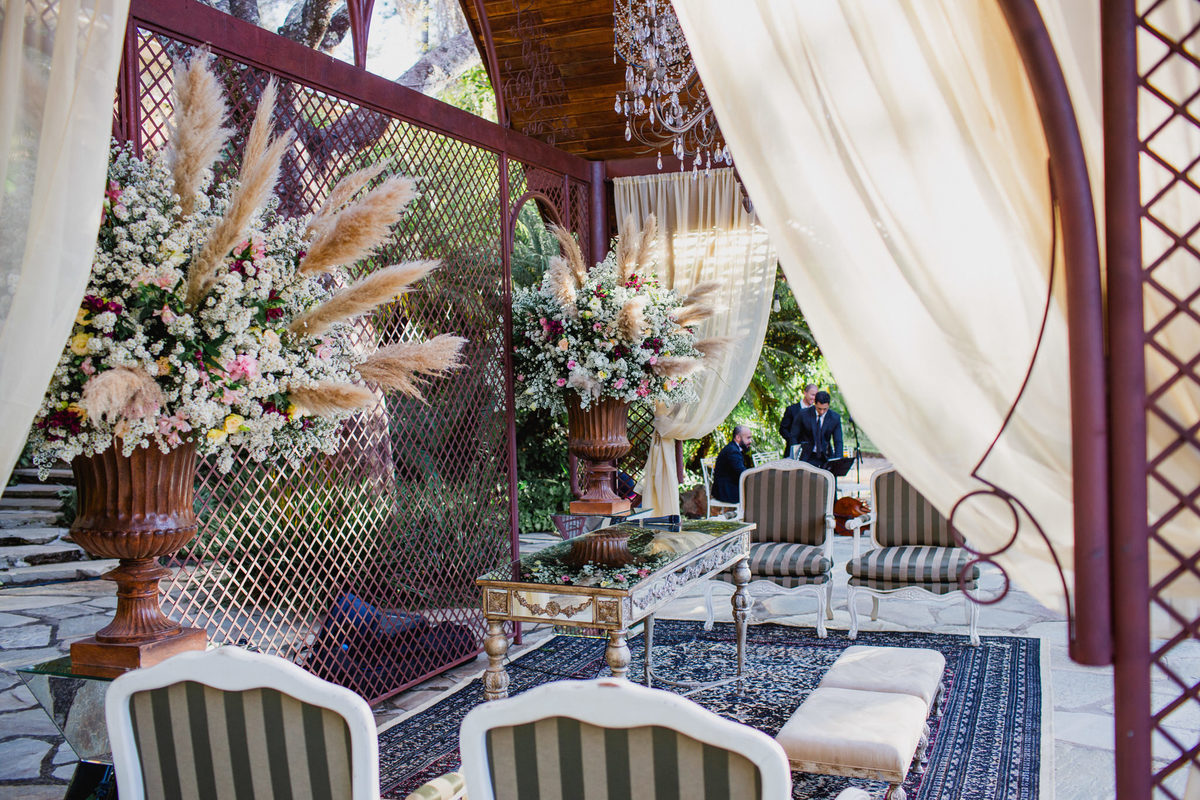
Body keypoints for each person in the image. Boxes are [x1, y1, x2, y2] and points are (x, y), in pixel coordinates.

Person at [793, 391, 843, 469]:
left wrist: (838, 461)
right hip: (807, 457)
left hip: (826, 457)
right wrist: (795, 457)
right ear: (815, 404)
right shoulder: (803, 414)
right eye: (819, 409)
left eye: (825, 409)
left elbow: (838, 441)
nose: (822, 412)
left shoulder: (835, 418)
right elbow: (794, 436)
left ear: (828, 405)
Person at [712, 425, 753, 504]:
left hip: (728, 487)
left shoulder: (733, 448)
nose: (750, 441)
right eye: (748, 438)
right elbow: (742, 472)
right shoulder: (732, 451)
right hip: (726, 491)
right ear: (738, 438)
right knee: (758, 492)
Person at [779, 384, 817, 458]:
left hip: (811, 455)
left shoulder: (816, 412)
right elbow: (783, 429)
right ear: (805, 393)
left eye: (816, 396)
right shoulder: (791, 409)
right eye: (812, 395)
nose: (814, 398)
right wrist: (793, 441)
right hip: (793, 452)